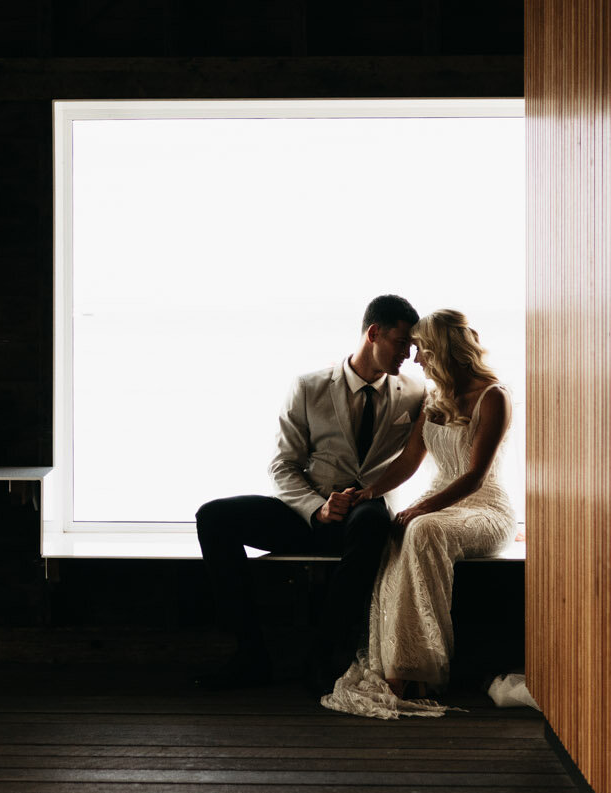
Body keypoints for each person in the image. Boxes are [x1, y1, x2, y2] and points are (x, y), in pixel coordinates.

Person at [191, 294, 428, 689]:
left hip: (365, 516)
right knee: (213, 516)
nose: (408, 353)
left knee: (371, 520)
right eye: (401, 342)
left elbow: (422, 449)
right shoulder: (309, 387)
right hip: (309, 513)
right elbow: (283, 465)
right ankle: (250, 654)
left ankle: (323, 657)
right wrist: (318, 508)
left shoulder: (414, 392)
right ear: (373, 333)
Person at [321, 308, 517, 720]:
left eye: (421, 350)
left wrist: (421, 507)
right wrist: (369, 491)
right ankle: (393, 664)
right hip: (438, 501)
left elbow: (476, 477)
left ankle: (420, 669)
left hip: (483, 507)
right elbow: (410, 459)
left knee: (422, 527)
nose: (415, 360)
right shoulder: (436, 398)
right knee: (397, 532)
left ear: (441, 350)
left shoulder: (493, 396)